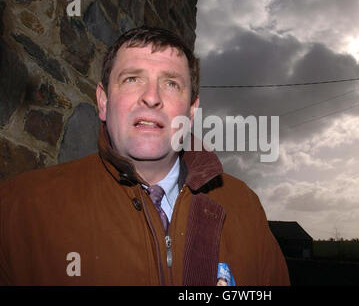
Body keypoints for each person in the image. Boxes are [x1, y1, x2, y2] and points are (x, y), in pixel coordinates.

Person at [0, 26, 290, 286]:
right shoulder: (18, 208)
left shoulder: (245, 208)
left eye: (171, 83)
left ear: (191, 112)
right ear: (103, 102)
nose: (151, 97)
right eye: (132, 79)